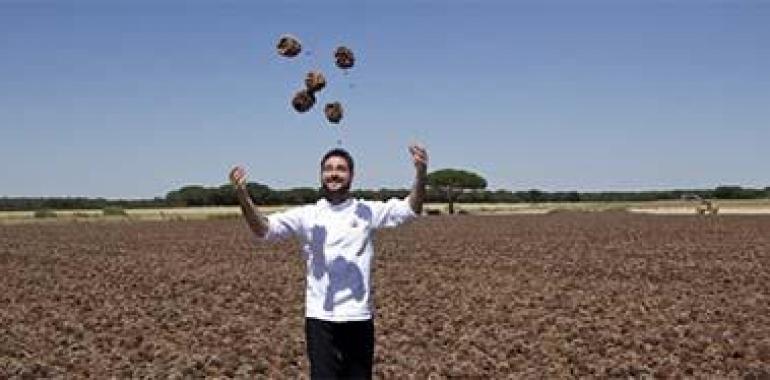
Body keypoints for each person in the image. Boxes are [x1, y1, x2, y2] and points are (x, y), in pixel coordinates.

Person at [228, 144, 428, 379]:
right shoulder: (307, 214)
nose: (334, 173)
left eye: (341, 169)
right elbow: (264, 229)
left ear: (351, 176)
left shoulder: (366, 211)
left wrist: (421, 173)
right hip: (320, 319)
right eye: (328, 169)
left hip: (358, 317)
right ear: (321, 175)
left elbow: (411, 209)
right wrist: (243, 196)